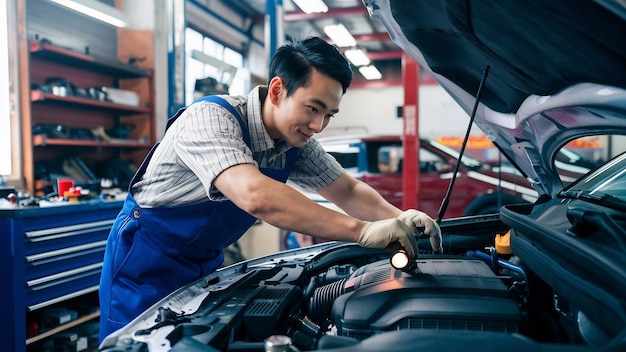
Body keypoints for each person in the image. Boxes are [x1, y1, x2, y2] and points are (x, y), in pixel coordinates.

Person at [98, 36, 442, 342]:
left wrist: (401, 218)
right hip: (142, 268)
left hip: (202, 266)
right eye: (313, 108)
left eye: (329, 115)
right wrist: (363, 232)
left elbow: (347, 191)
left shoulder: (294, 142)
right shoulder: (209, 118)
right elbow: (255, 196)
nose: (318, 126)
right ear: (277, 90)